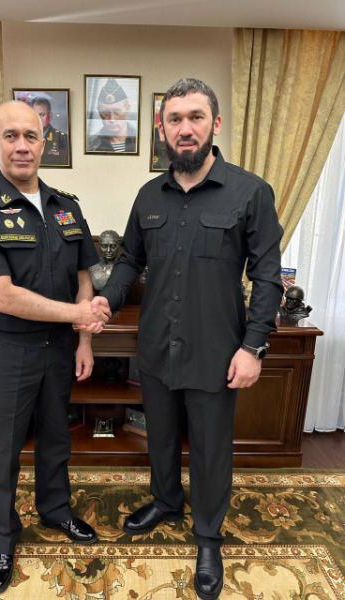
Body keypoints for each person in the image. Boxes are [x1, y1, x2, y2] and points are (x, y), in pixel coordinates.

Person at [96, 78, 283, 600]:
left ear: (214, 124)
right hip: (157, 345)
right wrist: (107, 299)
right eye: (174, 119)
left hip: (217, 350)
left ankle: (207, 536)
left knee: (209, 449)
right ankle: (165, 501)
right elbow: (129, 259)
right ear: (162, 128)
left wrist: (253, 346)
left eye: (195, 117)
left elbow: (267, 276)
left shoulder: (251, 192)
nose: (185, 128)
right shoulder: (148, 195)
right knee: (158, 436)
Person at [0, 100, 111, 594]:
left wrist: (83, 340)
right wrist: (78, 316)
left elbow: (84, 276)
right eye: (11, 136)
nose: (21, 146)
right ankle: (3, 539)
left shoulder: (67, 206)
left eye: (30, 136)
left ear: (44, 144)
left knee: (56, 438)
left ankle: (55, 510)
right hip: (6, 351)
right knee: (3, 450)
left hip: (59, 349)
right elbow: (2, 296)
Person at [86, 79, 137, 153]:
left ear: (127, 109)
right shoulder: (90, 144)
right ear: (99, 112)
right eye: (105, 113)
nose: (112, 119)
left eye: (117, 112)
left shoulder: (141, 139)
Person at [30, 96, 69, 166]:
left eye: (41, 115)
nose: (38, 119)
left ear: (50, 116)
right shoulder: (25, 138)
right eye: (34, 115)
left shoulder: (63, 139)